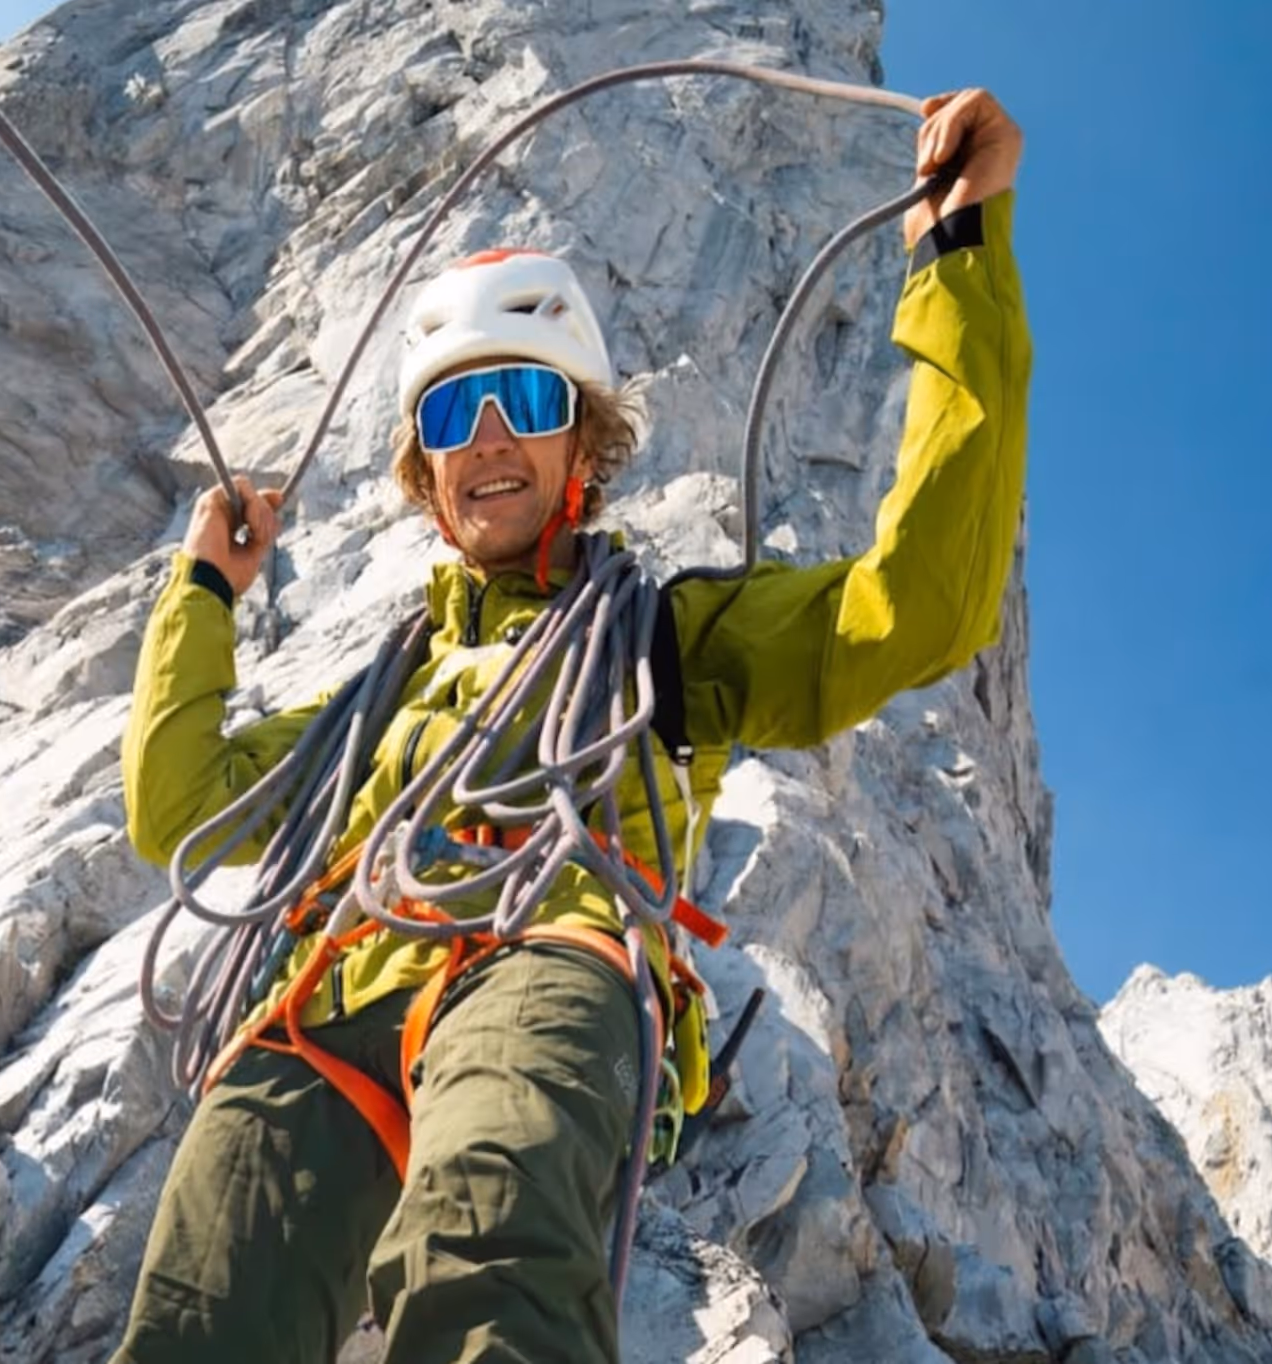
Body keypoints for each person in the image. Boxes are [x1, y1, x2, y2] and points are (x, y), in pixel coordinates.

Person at [114, 89, 1028, 1364]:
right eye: (450, 414)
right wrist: (204, 590)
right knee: (197, 1319)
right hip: (336, 981)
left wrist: (959, 263)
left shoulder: (668, 635)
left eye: (522, 403)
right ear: (425, 477)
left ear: (581, 443)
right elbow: (176, 802)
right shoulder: (378, 699)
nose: (485, 438)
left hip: (549, 946)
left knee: (487, 1263)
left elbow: (920, 608)